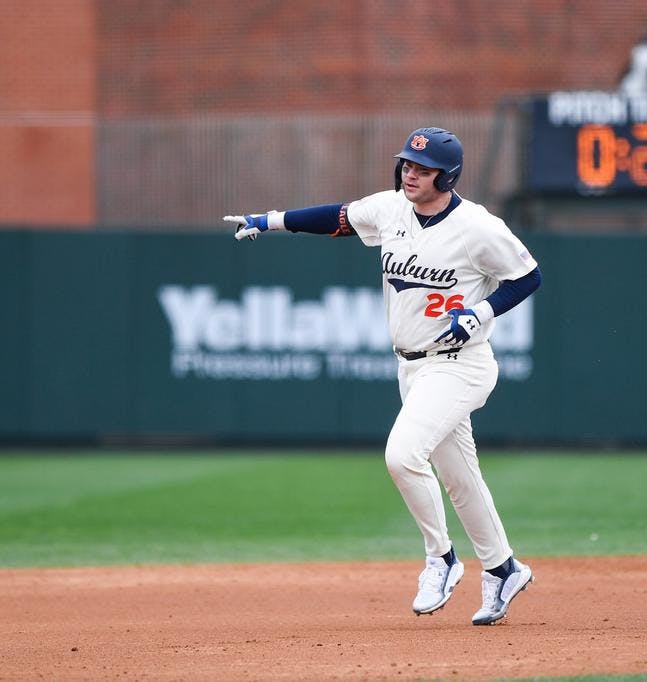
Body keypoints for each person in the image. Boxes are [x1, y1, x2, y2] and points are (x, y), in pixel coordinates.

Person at [224, 127, 541, 626]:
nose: (411, 173)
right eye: (407, 165)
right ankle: (503, 570)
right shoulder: (392, 208)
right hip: (412, 367)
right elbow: (340, 217)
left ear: (448, 175)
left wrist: (482, 311)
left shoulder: (478, 227)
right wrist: (270, 220)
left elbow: (528, 276)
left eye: (423, 168)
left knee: (402, 455)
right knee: (460, 480)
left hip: (460, 365)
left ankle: (441, 557)